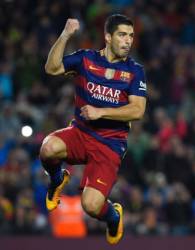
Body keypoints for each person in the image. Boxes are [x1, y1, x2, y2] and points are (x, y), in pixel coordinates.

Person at [40, 14, 147, 244]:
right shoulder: (86, 59)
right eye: (122, 35)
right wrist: (66, 34)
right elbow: (51, 68)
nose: (128, 41)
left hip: (109, 144)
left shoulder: (135, 71)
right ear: (108, 37)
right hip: (80, 133)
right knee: (48, 148)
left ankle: (113, 216)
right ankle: (57, 179)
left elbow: (137, 111)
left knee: (90, 206)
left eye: (130, 36)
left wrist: (101, 112)